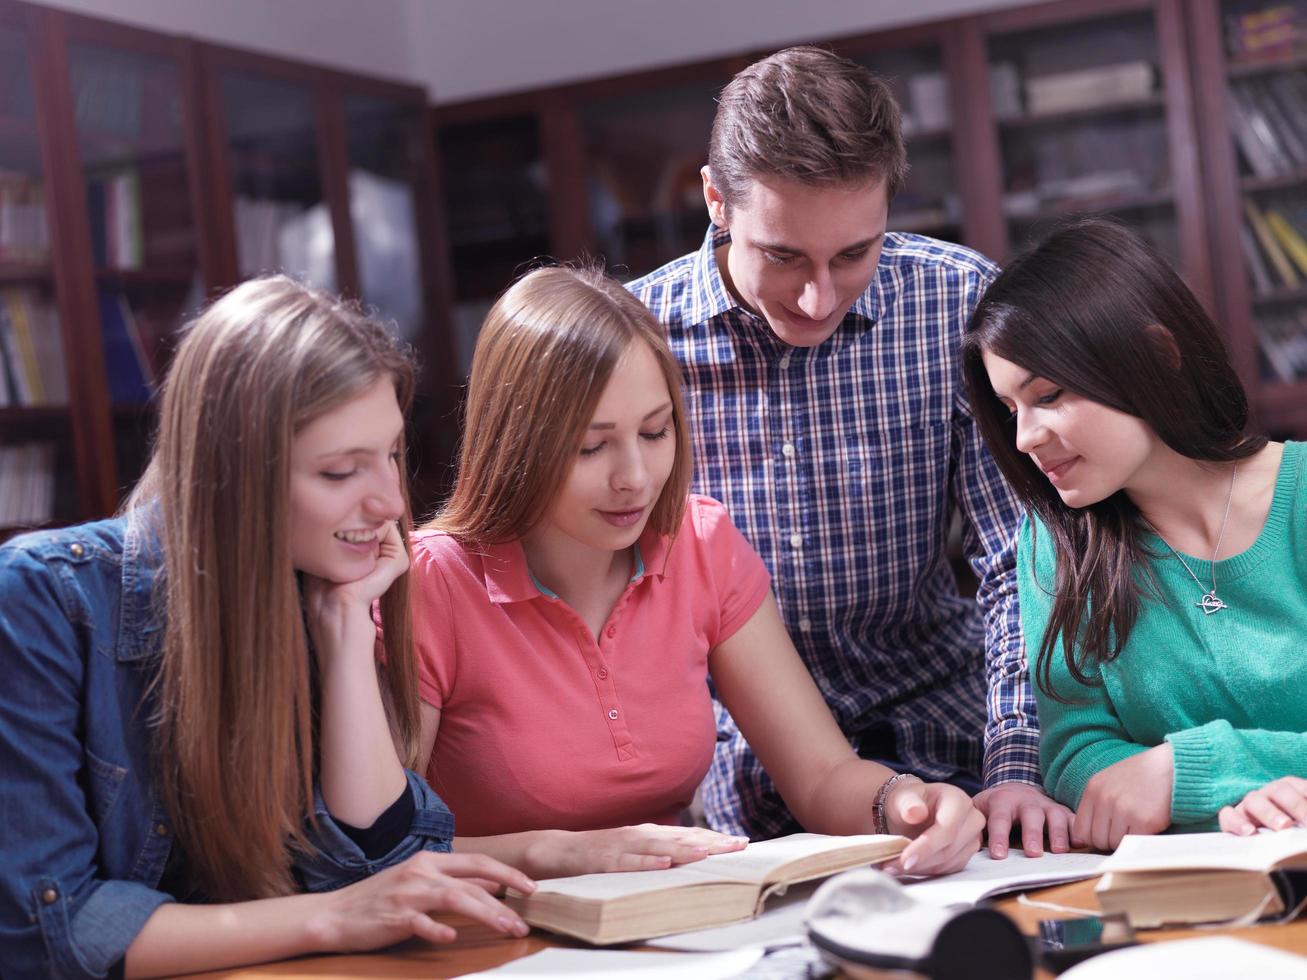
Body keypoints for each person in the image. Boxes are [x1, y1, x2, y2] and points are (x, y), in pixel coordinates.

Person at [0, 277, 534, 980]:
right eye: (341, 470)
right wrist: (331, 919)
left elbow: (385, 865)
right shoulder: (42, 597)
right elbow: (51, 928)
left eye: (393, 454)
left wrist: (343, 634)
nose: (391, 502)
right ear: (232, 475)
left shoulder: (317, 579)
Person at [627, 45, 1066, 857]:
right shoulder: (632, 343)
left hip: (951, 742)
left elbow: (1020, 558)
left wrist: (1017, 765)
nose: (815, 297)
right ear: (716, 201)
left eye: (853, 254)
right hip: (734, 777)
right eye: (783, 255)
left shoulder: (955, 303)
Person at [410, 265, 985, 878]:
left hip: (667, 924)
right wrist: (547, 852)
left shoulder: (699, 545)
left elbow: (822, 775)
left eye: (655, 432)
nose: (634, 476)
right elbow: (370, 851)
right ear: (514, 442)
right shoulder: (430, 584)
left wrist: (903, 801)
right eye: (591, 447)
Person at [960, 217, 1306, 852]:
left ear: (1157, 357)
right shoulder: (1055, 543)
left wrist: (1188, 770)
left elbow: (1153, 778)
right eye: (1012, 410)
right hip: (1182, 891)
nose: (1025, 437)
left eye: (1050, 394)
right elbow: (1074, 750)